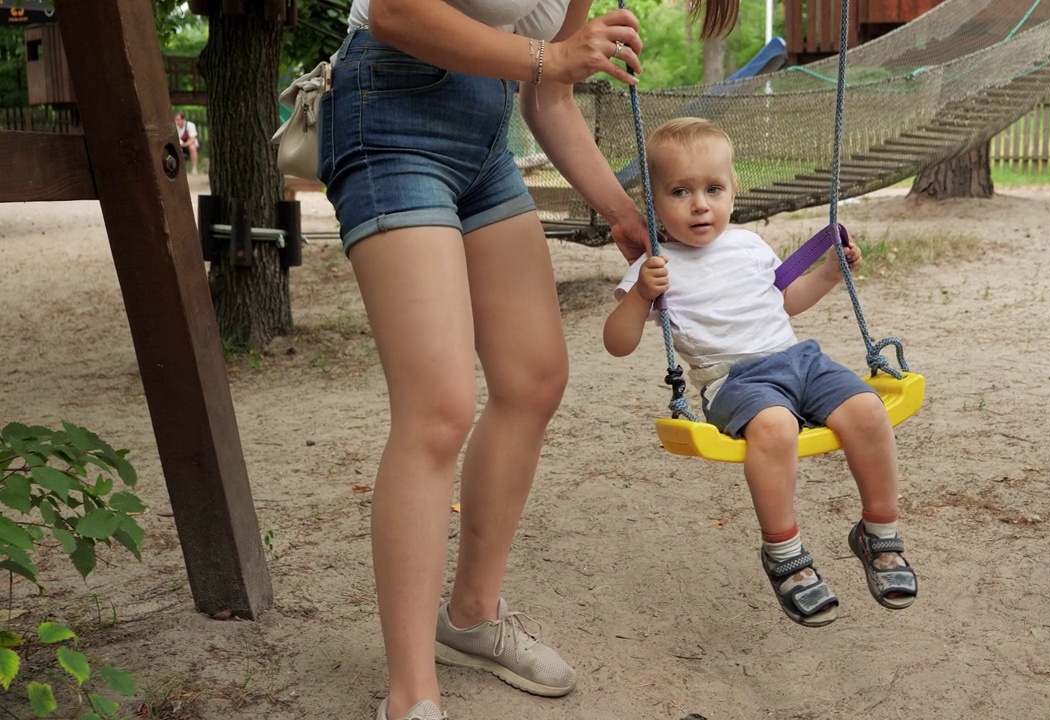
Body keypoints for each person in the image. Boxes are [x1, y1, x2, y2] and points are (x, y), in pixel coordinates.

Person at [318, 2, 743, 719]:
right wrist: (552, 59)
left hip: (483, 136)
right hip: (389, 112)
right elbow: (394, 12)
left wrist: (622, 212)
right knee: (439, 407)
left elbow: (549, 94)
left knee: (534, 377)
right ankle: (411, 694)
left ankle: (472, 617)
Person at [604, 118, 919, 629]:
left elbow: (786, 303)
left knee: (867, 409)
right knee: (776, 428)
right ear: (653, 203)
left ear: (733, 192)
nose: (700, 204)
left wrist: (828, 273)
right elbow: (617, 344)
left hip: (798, 359)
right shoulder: (656, 266)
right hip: (735, 380)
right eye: (680, 192)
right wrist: (641, 294)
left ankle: (879, 532)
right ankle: (784, 552)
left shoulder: (749, 245)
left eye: (713, 189)